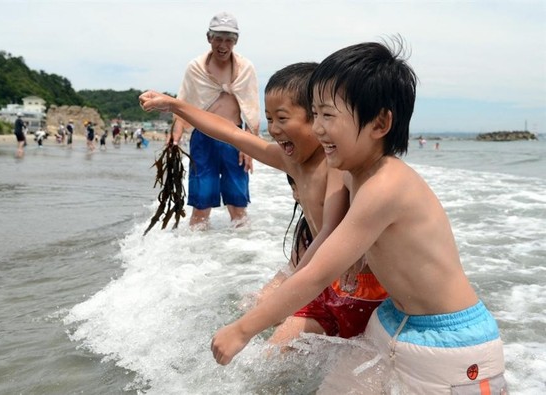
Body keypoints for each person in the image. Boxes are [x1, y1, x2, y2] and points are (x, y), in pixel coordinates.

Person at [206, 41, 507, 393]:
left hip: (452, 344)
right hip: (392, 320)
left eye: (328, 115)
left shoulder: (386, 185)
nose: (317, 128)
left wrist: (242, 330)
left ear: (380, 123)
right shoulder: (352, 173)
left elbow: (317, 273)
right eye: (314, 114)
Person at [139, 62, 386, 346]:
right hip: (324, 281)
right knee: (274, 347)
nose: (274, 129)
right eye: (269, 119)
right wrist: (175, 105)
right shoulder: (290, 161)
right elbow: (230, 132)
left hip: (363, 290)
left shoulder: (335, 165)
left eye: (283, 118)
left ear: (316, 119)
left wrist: (288, 290)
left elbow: (330, 233)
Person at [169, 11, 260, 229]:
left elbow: (251, 107)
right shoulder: (196, 67)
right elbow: (183, 101)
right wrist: (175, 137)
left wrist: (249, 146)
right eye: (218, 38)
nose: (223, 45)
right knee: (201, 205)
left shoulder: (245, 68)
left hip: (235, 138)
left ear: (235, 41)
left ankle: (239, 256)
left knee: (238, 205)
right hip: (203, 138)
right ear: (209, 38)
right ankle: (195, 256)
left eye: (229, 39)